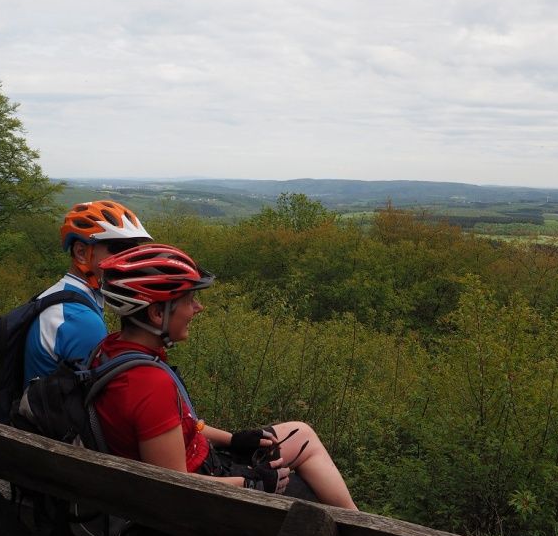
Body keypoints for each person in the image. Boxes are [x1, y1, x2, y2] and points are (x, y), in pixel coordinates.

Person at [94, 243, 358, 509]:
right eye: (189, 301)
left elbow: (177, 427)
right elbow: (174, 487)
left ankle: (357, 523)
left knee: (301, 433)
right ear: (156, 313)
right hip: (206, 489)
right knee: (307, 478)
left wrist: (233, 439)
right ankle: (362, 529)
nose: (198, 308)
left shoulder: (111, 351)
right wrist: (251, 483)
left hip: (203, 460)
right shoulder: (149, 384)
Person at [23, 200, 152, 383]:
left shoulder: (58, 294)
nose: (129, 260)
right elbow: (98, 399)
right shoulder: (80, 319)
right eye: (119, 249)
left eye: (133, 250)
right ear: (81, 253)